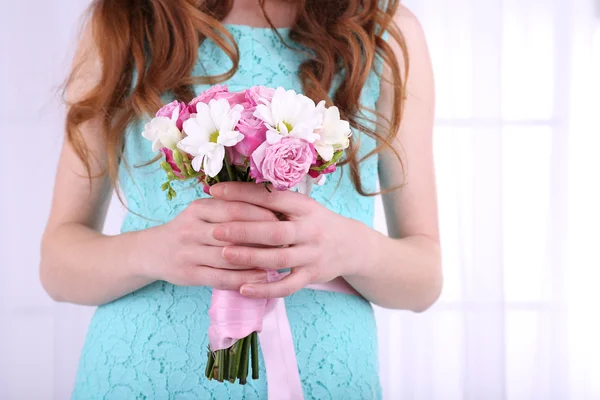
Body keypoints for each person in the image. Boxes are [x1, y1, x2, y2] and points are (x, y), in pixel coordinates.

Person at [40, 0, 441, 398]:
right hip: (142, 378)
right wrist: (153, 251)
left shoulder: (384, 29)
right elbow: (57, 266)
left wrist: (350, 248)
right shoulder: (126, 18)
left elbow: (424, 280)